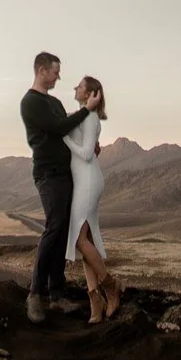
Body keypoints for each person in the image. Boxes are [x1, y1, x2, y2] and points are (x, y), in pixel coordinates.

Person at [19, 51, 99, 322]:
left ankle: (56, 295)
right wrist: (86, 109)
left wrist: (90, 142)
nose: (58, 76)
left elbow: (67, 132)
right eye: (55, 72)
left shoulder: (53, 101)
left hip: (64, 173)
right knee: (54, 227)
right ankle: (35, 294)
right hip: (48, 174)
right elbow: (58, 127)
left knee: (63, 229)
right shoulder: (31, 102)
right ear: (41, 71)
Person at [64, 74, 122, 322]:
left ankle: (110, 286)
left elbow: (87, 154)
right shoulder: (85, 117)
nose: (75, 88)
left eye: (80, 86)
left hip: (88, 181)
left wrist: (64, 138)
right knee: (84, 240)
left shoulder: (89, 117)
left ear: (89, 94)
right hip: (84, 180)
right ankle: (95, 303)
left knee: (79, 239)